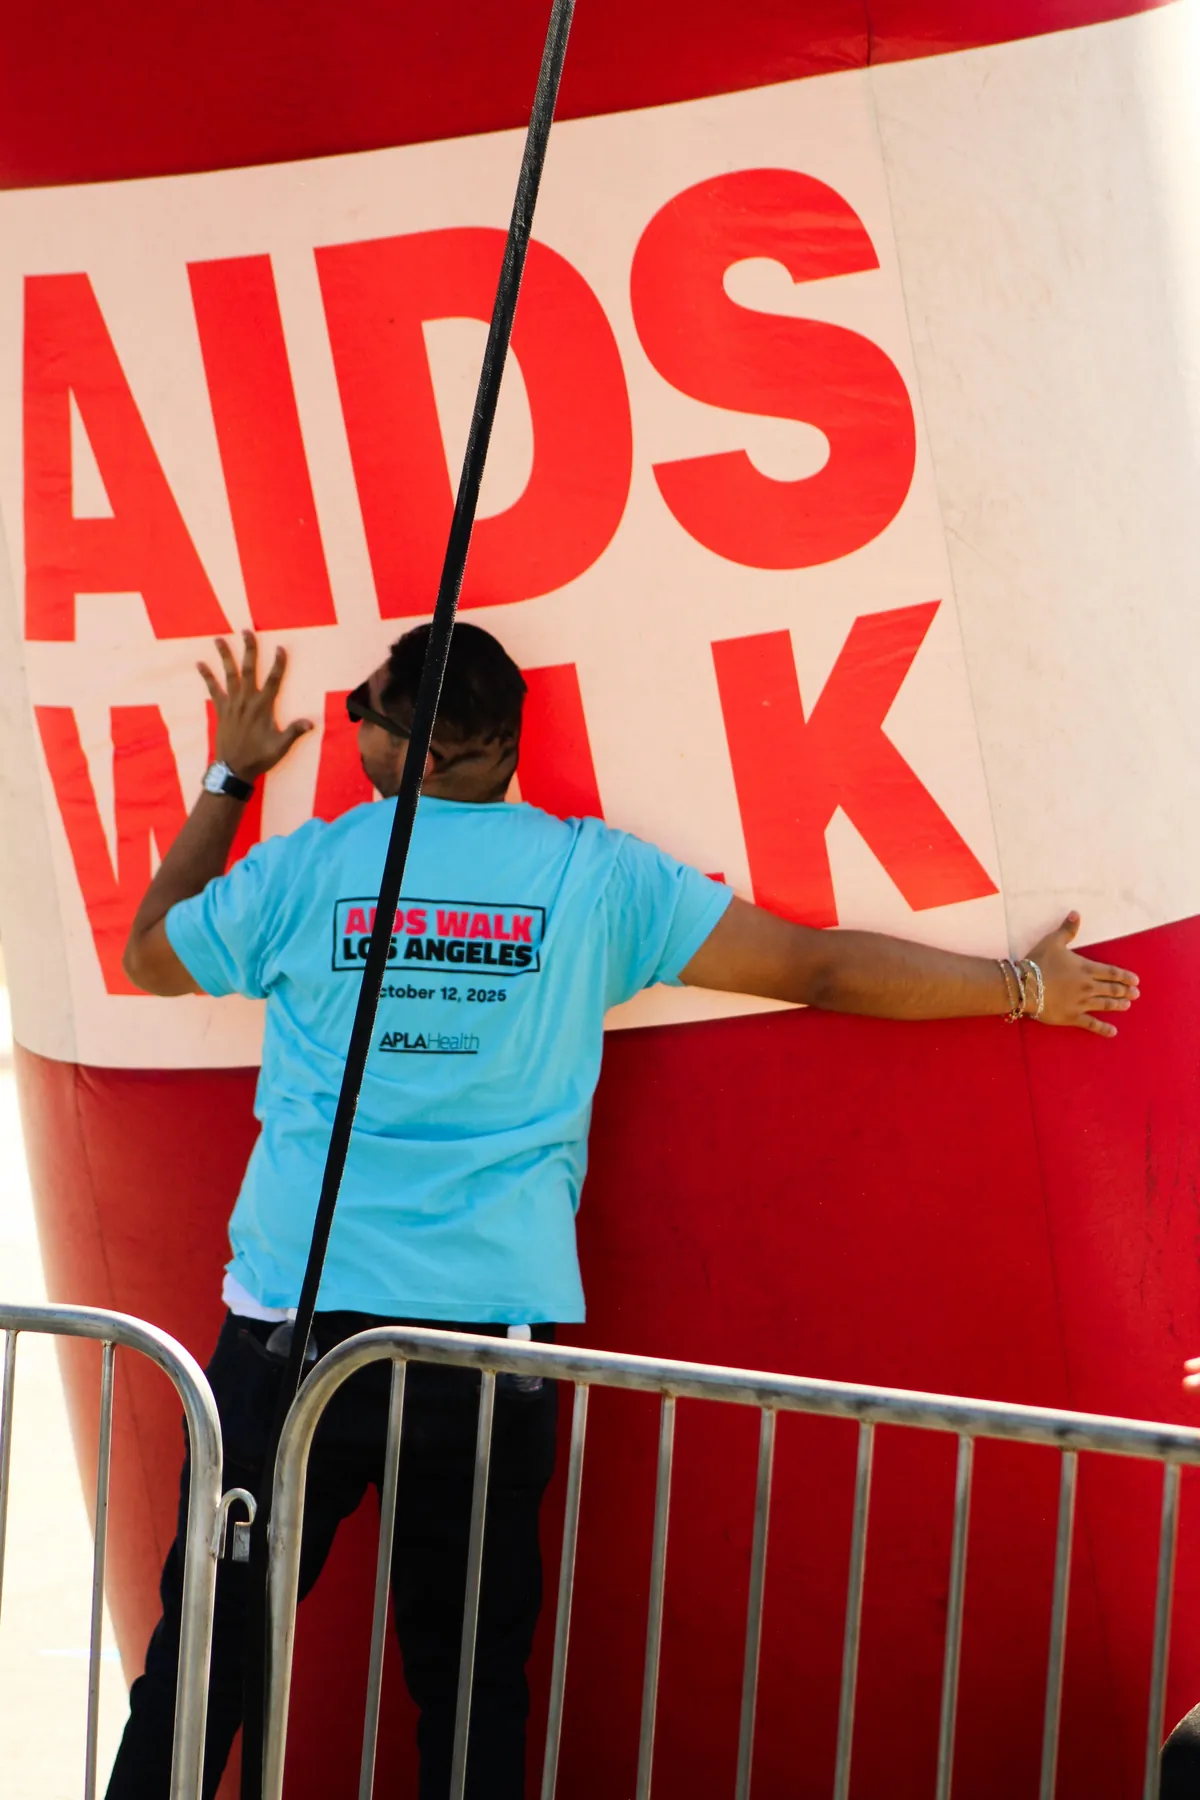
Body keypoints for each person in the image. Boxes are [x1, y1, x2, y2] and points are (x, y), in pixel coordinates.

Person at [107, 621, 1140, 1800]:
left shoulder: (309, 872)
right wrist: (1021, 990)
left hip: (291, 1342)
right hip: (485, 1353)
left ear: (429, 753)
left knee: (202, 1661)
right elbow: (819, 969)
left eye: (365, 713)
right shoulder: (594, 880)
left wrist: (229, 778)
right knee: (472, 1689)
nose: (347, 729)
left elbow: (149, 953)